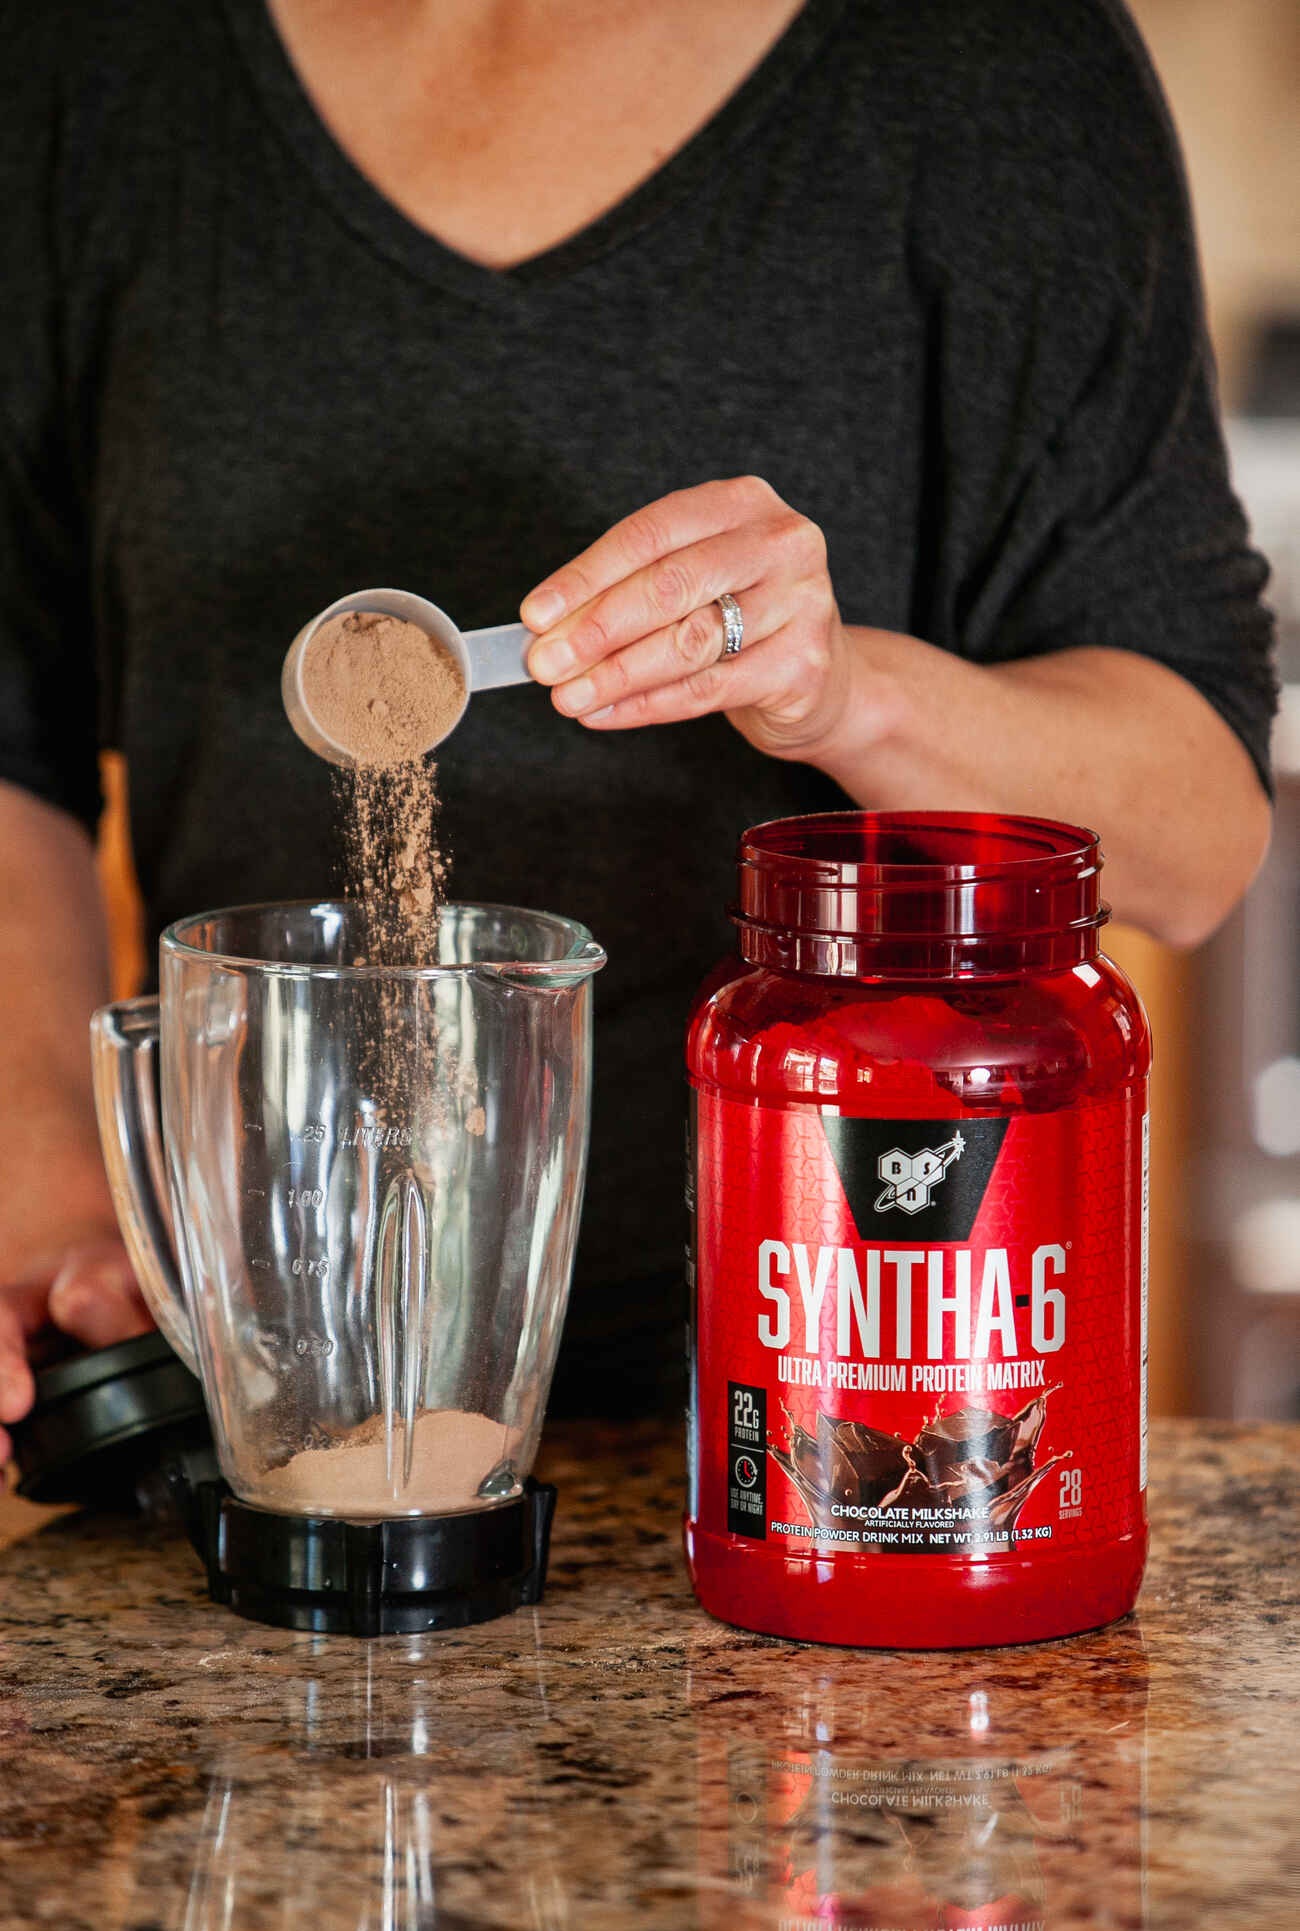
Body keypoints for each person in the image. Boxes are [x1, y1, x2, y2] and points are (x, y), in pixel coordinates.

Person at [0, 0, 1275, 1452]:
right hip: (248, 1401)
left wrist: (841, 692)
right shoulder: (87, 57)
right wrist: (56, 1207)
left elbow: (1200, 837)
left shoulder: (989, 60)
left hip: (842, 1414)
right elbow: (10, 738)